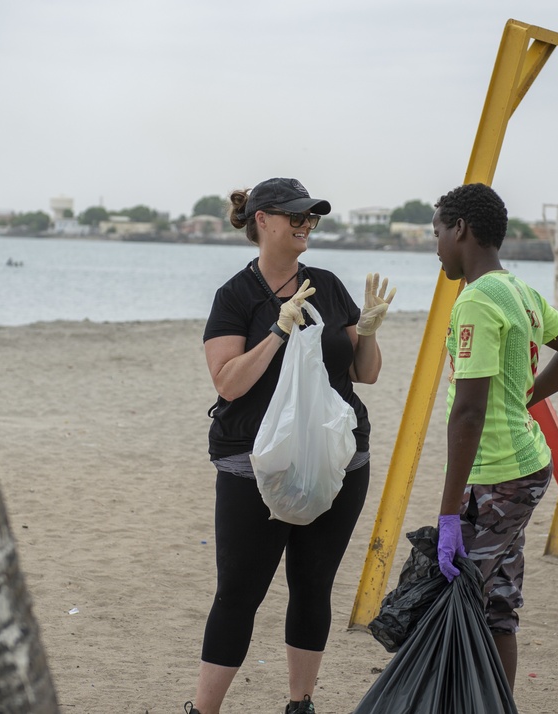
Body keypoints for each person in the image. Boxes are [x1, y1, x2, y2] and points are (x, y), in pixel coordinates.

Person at [186, 177, 396, 714]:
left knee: (312, 587)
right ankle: (203, 710)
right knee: (239, 593)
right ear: (263, 220)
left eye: (312, 217)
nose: (306, 224)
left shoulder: (326, 284)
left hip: (336, 460)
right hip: (252, 465)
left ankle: (300, 705)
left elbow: (364, 373)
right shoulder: (235, 296)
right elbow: (227, 382)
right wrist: (278, 331)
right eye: (295, 215)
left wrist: (367, 329)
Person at [431, 182, 558, 694]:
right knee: (498, 602)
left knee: (456, 604)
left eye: (437, 232)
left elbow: (468, 412)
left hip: (498, 472)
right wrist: (524, 397)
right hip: (523, 462)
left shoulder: (477, 300)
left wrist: (447, 514)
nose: (434, 245)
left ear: (460, 229)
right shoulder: (519, 291)